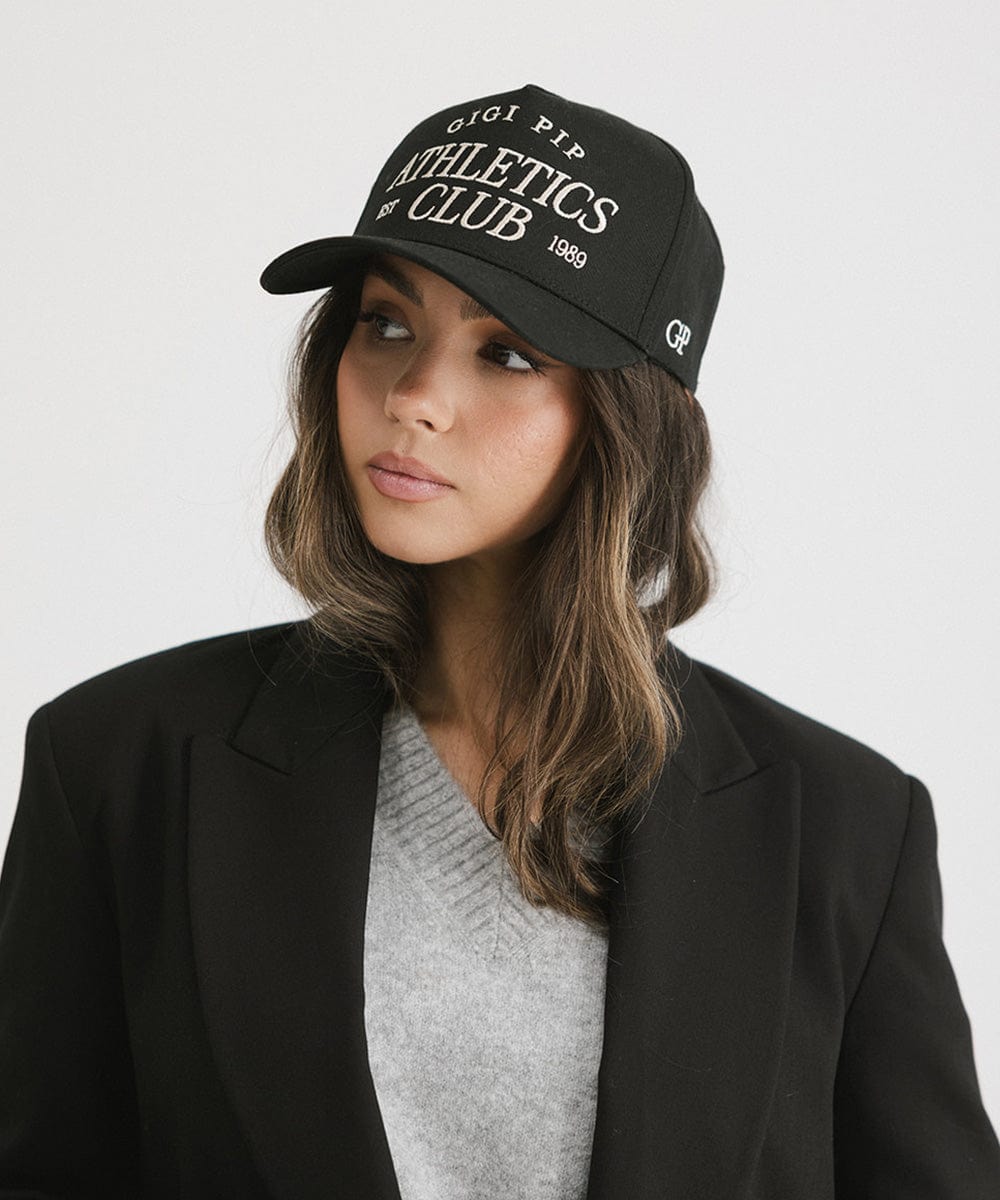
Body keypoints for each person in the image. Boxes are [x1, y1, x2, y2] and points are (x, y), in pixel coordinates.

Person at [0, 83, 997, 1200]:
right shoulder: (119, 767)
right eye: (387, 324)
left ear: (623, 421)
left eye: (507, 353)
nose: (415, 397)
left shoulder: (842, 830)